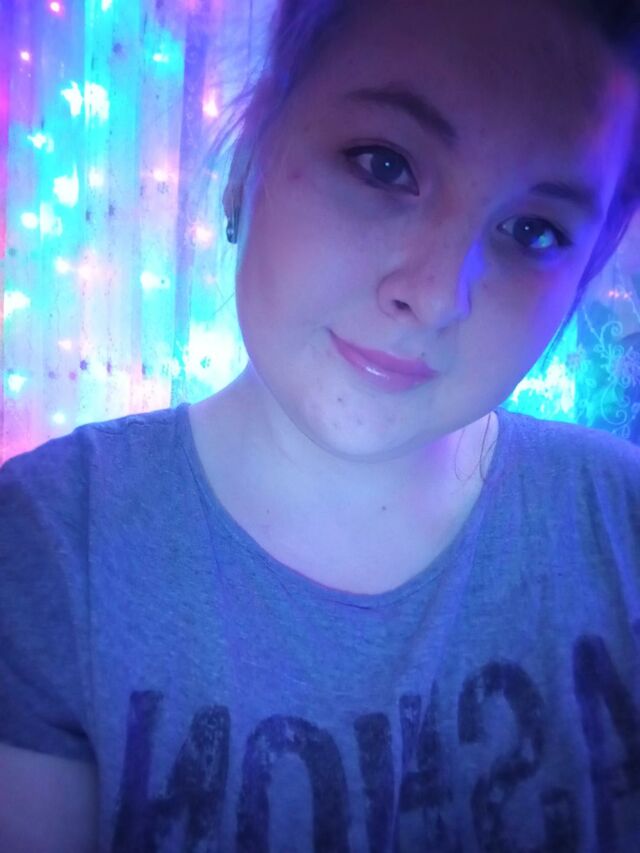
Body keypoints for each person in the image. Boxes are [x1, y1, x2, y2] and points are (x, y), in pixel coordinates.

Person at [1, 0, 640, 849]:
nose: (436, 296)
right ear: (253, 151)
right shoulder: (50, 544)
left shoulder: (622, 521)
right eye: (384, 164)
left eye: (534, 230)